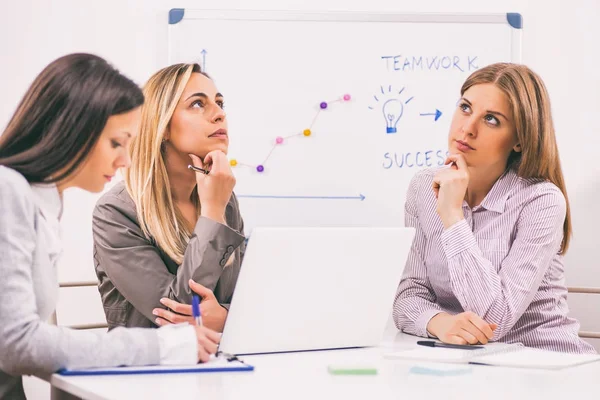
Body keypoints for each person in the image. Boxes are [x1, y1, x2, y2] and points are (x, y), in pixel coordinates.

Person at [0, 54, 221, 399]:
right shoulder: (7, 190)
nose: (126, 161)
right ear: (71, 130)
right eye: (117, 143)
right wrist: (161, 346)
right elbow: (16, 343)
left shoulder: (42, 203)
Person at [393, 62, 595, 354]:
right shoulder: (424, 187)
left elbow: (494, 320)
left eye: (491, 119)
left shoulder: (541, 201)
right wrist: (439, 322)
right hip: (470, 362)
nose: (467, 128)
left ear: (519, 140)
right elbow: (408, 295)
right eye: (465, 108)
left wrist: (452, 216)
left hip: (545, 362)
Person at [92, 63, 245, 332]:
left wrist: (224, 318)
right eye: (198, 104)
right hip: (150, 368)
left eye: (220, 103)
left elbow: (246, 299)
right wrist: (212, 211)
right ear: (161, 126)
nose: (220, 114)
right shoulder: (115, 212)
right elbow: (177, 313)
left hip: (220, 363)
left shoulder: (224, 199)